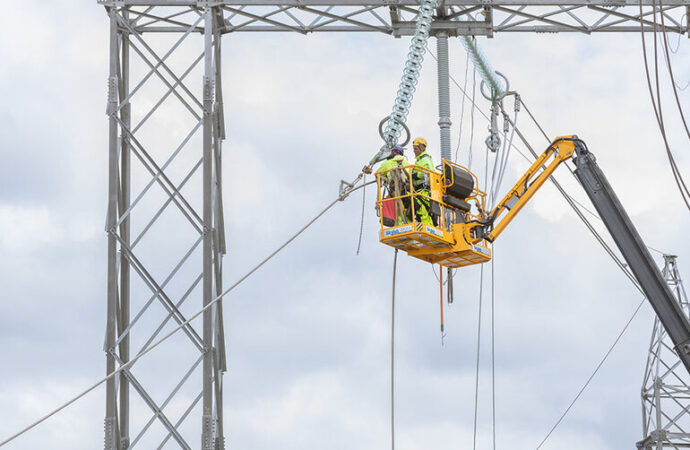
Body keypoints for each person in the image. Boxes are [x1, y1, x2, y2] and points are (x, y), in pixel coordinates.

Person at [363, 146, 409, 225]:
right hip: (407, 191)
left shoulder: (388, 163)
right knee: (405, 207)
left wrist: (384, 179)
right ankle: (404, 223)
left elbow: (378, 174)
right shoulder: (407, 163)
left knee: (394, 205)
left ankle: (395, 223)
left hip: (395, 190)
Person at [411, 137, 434, 225]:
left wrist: (416, 175)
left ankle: (427, 228)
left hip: (424, 190)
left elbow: (429, 173)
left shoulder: (426, 159)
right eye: (413, 149)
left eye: (415, 149)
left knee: (422, 209)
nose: (414, 151)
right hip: (418, 190)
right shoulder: (419, 161)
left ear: (422, 147)